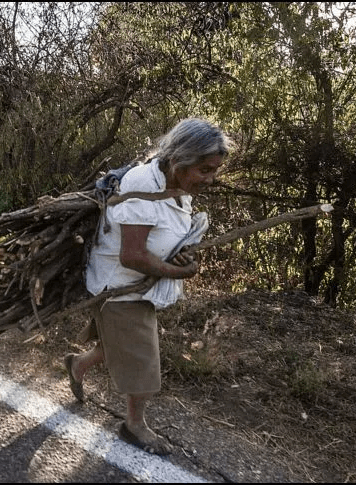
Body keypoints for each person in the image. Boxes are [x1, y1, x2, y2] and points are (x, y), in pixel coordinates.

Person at [63, 118, 232, 455]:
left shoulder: (176, 183)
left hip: (138, 284)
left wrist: (176, 254)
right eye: (205, 169)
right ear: (180, 159)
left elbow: (160, 233)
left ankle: (78, 364)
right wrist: (176, 271)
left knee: (121, 346)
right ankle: (133, 425)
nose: (211, 178)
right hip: (120, 286)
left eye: (214, 170)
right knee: (145, 361)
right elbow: (132, 255)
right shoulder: (144, 184)